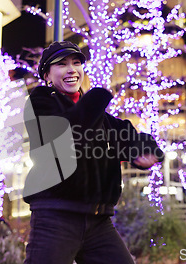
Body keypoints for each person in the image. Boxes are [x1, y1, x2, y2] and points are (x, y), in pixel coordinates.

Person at [23, 41, 164, 264]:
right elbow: (68, 132)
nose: (71, 69)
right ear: (47, 75)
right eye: (61, 64)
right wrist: (96, 100)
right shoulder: (40, 103)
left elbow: (130, 136)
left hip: (98, 221)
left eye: (76, 63)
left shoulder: (100, 117)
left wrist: (144, 152)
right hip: (55, 216)